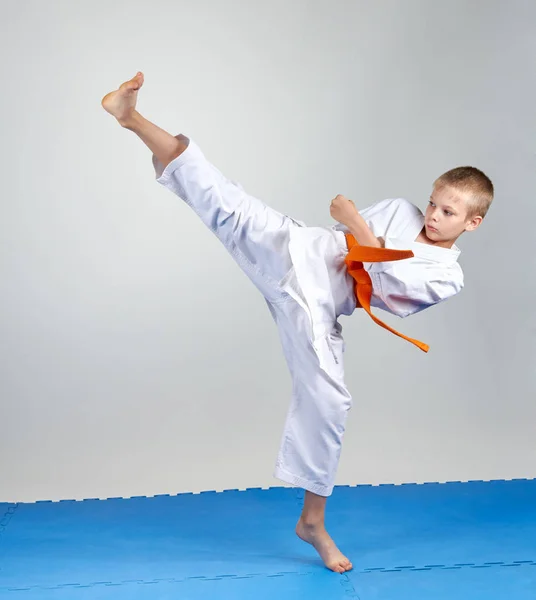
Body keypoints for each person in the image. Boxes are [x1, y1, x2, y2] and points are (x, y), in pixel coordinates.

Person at [101, 72, 494, 574]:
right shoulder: (400, 210)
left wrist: (356, 223)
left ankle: (312, 522)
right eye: (435, 202)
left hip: (318, 307)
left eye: (449, 211)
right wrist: (355, 229)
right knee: (217, 193)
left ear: (472, 222)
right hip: (298, 248)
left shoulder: (447, 275)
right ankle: (129, 116)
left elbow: (382, 282)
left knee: (330, 402)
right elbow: (346, 243)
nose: (434, 215)